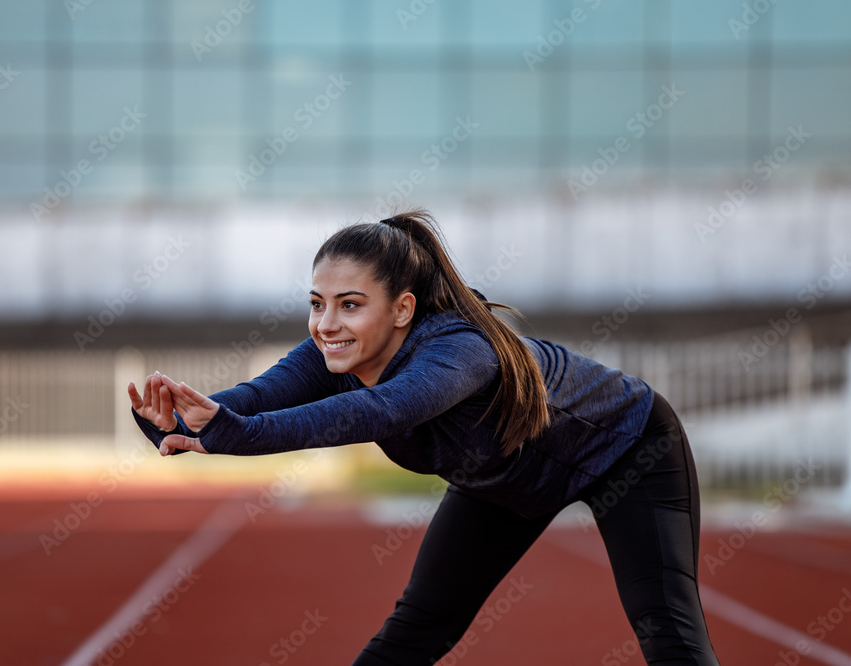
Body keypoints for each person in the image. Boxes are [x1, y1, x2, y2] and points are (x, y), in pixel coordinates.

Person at [127, 210, 721, 665]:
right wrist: (176, 420)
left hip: (627, 451)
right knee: (417, 629)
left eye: (350, 305)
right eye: (317, 304)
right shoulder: (332, 351)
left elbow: (380, 410)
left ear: (403, 308)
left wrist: (236, 436)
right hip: (502, 477)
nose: (327, 325)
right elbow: (255, 398)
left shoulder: (460, 350)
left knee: (666, 631)